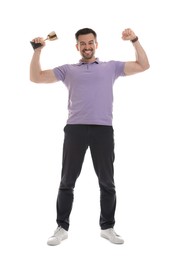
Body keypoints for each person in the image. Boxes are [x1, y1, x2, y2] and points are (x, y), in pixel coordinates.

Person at [30, 27, 150, 246]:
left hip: (103, 130)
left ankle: (108, 227)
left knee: (107, 182)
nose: (87, 47)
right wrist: (37, 51)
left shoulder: (110, 67)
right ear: (77, 46)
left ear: (96, 44)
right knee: (67, 181)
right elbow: (36, 77)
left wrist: (134, 40)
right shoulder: (68, 70)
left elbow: (144, 65)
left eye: (90, 42)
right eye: (83, 43)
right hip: (75, 129)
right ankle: (62, 227)